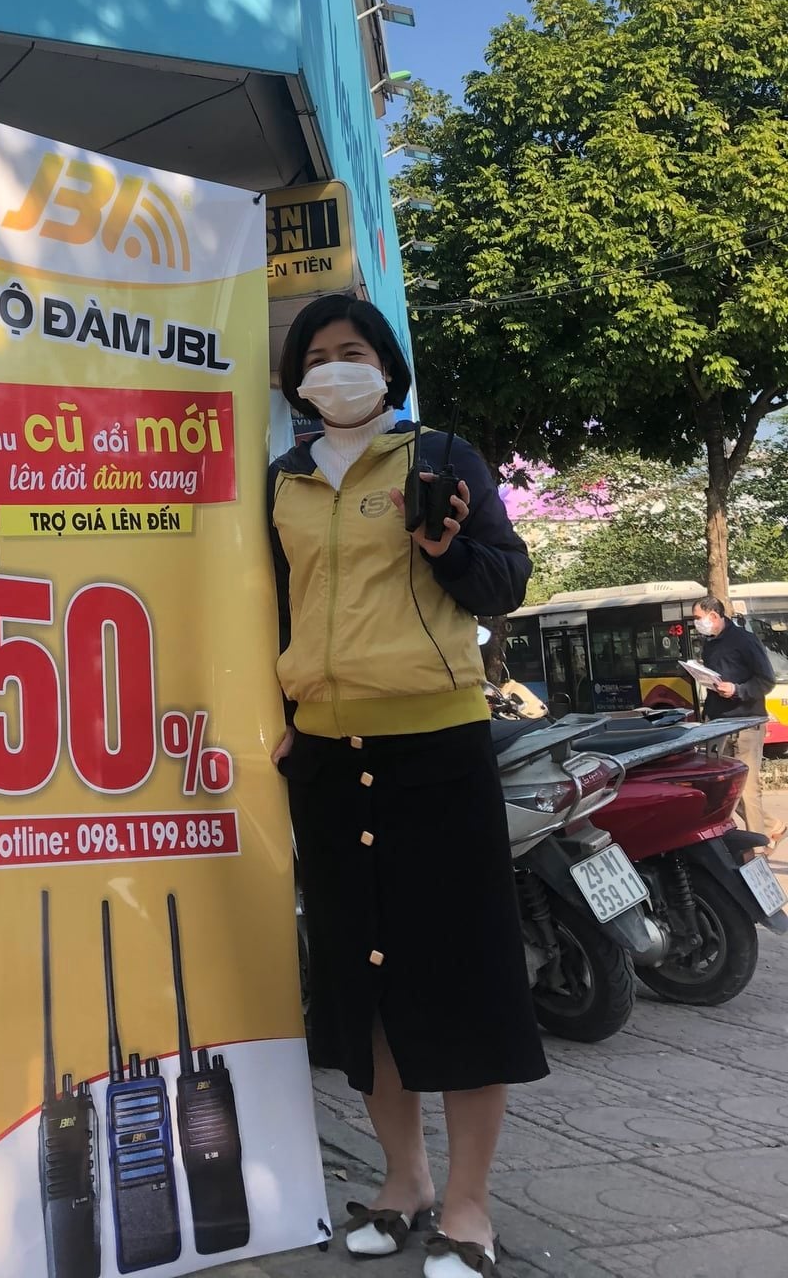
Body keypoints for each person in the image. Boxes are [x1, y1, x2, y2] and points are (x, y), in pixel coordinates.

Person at [268, 294, 542, 1278]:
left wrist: (448, 549)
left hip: (437, 749)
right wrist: (280, 715)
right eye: (315, 357)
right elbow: (276, 611)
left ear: (386, 366)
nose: (334, 368)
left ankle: (469, 1205)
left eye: (352, 351)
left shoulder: (441, 457)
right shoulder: (284, 481)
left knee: (461, 979)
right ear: (296, 380)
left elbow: (506, 581)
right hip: (325, 760)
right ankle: (405, 1180)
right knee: (364, 980)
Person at [693, 594, 783, 851]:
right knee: (722, 789)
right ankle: (771, 826)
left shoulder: (745, 640)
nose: (696, 623)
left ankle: (757, 849)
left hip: (746, 724)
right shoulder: (710, 643)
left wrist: (737, 690)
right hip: (719, 724)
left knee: (747, 790)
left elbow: (766, 681)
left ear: (714, 615)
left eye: (698, 618)